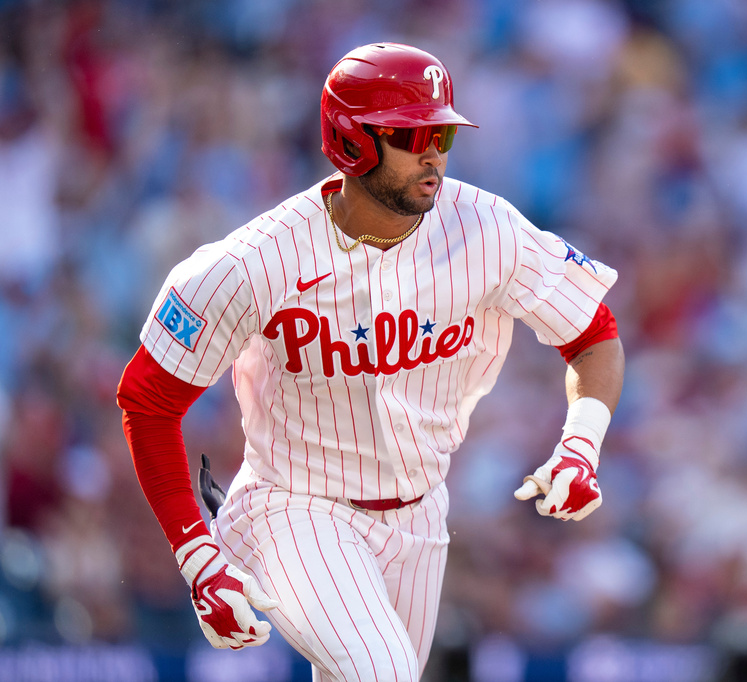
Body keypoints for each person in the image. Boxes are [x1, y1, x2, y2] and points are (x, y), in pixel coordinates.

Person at [116, 42, 623, 681]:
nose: (433, 150)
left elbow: (594, 333)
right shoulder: (256, 262)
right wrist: (197, 556)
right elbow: (148, 399)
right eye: (411, 133)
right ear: (352, 141)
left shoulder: (488, 228)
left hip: (420, 513)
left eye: (442, 131)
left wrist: (581, 445)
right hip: (293, 507)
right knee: (378, 672)